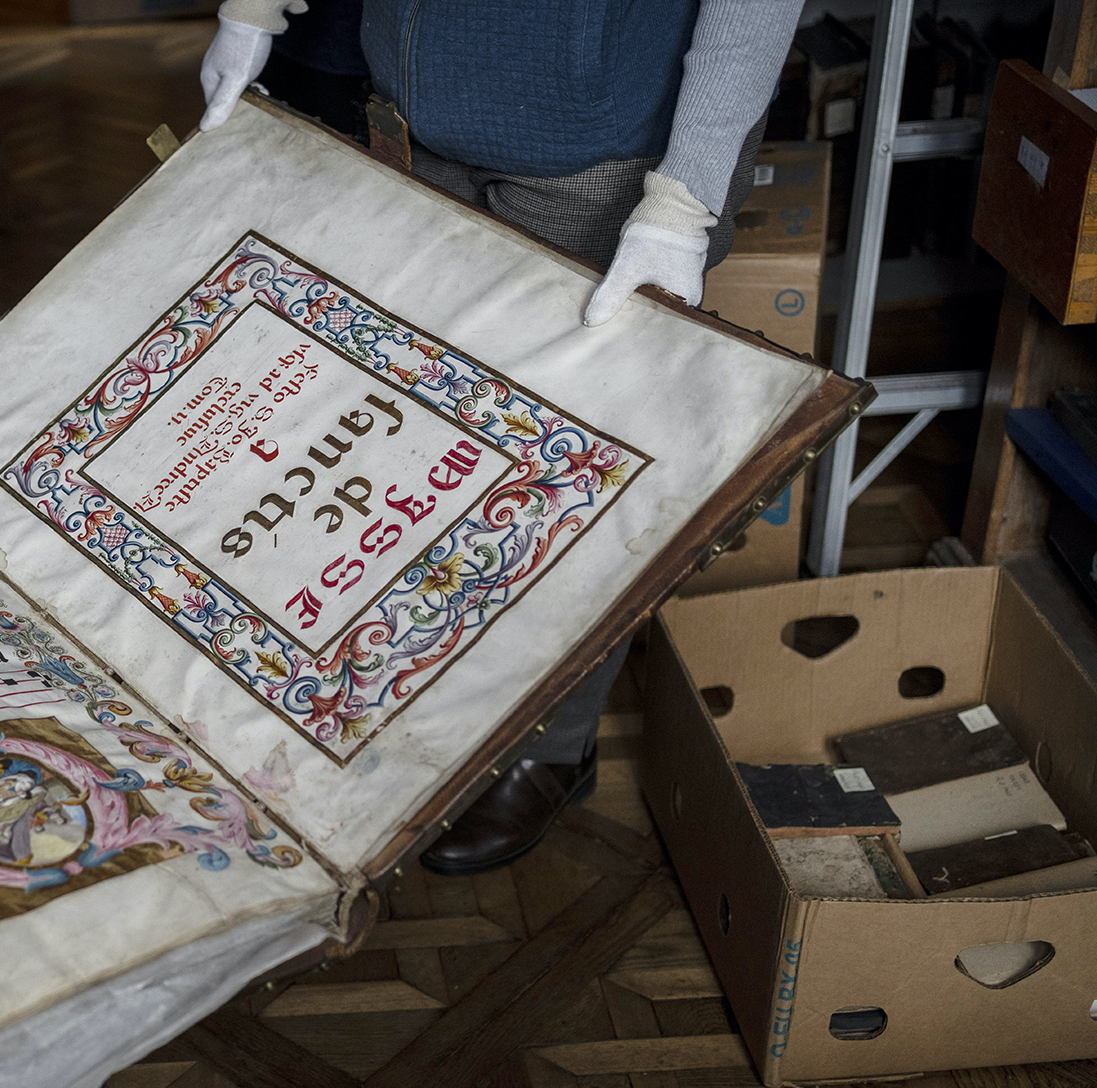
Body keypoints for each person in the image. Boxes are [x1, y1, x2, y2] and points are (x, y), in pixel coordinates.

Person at [199, 0, 801, 874]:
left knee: (572, 468)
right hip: (411, 105)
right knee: (413, 437)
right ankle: (416, 708)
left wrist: (686, 195)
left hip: (601, 150)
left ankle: (549, 746)